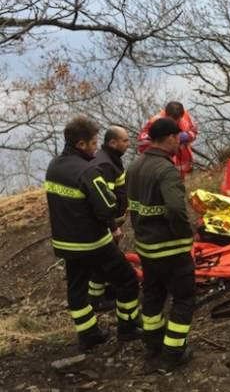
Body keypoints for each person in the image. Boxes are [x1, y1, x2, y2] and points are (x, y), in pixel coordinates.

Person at [44, 116, 140, 351]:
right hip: (93, 242)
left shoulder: (54, 166)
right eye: (94, 142)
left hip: (66, 242)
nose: (97, 147)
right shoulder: (88, 171)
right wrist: (120, 194)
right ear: (80, 144)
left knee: (77, 289)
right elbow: (109, 207)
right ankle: (128, 328)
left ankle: (88, 334)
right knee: (127, 280)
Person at [127, 117, 196, 371]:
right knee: (184, 299)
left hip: (146, 246)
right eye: (178, 138)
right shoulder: (166, 170)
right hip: (171, 249)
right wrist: (185, 236)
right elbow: (176, 210)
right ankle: (173, 353)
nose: (180, 142)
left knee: (153, 295)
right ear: (168, 138)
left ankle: (153, 343)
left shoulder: (134, 166)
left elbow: (132, 207)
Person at [88, 126, 131, 311]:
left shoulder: (112, 160)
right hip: (107, 223)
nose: (128, 144)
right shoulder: (105, 164)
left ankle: (97, 297)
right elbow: (102, 201)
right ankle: (97, 299)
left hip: (113, 220)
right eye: (125, 141)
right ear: (113, 142)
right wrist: (112, 226)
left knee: (101, 265)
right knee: (106, 263)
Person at [137, 101, 198, 178]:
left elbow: (194, 130)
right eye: (172, 119)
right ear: (166, 114)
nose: (175, 122)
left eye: (177, 119)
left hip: (184, 166)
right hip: (166, 166)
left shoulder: (185, 115)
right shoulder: (155, 122)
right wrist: (164, 144)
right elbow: (142, 143)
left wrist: (187, 136)